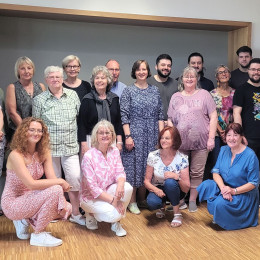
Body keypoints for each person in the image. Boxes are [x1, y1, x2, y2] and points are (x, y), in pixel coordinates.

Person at [1, 117, 72, 247]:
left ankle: (23, 220)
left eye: (39, 131)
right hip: (12, 203)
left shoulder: (44, 152)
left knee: (66, 206)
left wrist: (61, 198)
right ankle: (38, 234)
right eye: (32, 130)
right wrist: (61, 182)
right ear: (23, 132)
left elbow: (51, 180)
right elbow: (31, 184)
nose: (36, 133)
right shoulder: (15, 155)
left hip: (30, 198)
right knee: (56, 189)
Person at [32, 66, 85, 226]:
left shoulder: (73, 95)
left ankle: (75, 213)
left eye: (58, 77)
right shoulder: (39, 100)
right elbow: (36, 125)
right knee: (53, 184)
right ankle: (56, 212)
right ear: (46, 80)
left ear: (62, 79)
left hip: (70, 147)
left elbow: (79, 119)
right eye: (52, 77)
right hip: (50, 149)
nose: (55, 79)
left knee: (75, 179)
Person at [168, 66, 217, 212]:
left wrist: (211, 138)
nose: (189, 79)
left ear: (197, 79)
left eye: (192, 76)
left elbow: (213, 116)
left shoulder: (204, 95)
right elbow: (170, 119)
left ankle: (192, 200)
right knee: (180, 173)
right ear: (182, 79)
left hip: (201, 141)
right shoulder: (176, 97)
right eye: (186, 76)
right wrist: (173, 137)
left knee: (197, 172)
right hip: (180, 143)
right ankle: (181, 200)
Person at [120, 59, 164, 214]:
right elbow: (124, 115)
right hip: (135, 133)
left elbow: (160, 114)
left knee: (148, 166)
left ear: (148, 71)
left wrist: (161, 136)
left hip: (152, 133)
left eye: (144, 69)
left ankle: (142, 199)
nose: (141, 72)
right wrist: (128, 136)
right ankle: (131, 201)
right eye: (138, 69)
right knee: (133, 168)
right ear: (134, 72)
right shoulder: (128, 91)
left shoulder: (154, 90)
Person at [197, 123, 259, 230]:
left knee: (219, 203)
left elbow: (254, 183)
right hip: (226, 188)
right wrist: (224, 189)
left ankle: (228, 216)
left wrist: (233, 191)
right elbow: (215, 172)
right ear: (225, 137)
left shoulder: (250, 155)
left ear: (241, 137)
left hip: (243, 193)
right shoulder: (223, 150)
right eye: (228, 135)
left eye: (235, 135)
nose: (231, 138)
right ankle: (222, 212)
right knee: (206, 185)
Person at [80, 120, 133, 236]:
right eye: (101, 133)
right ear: (96, 136)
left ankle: (116, 222)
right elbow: (92, 188)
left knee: (127, 187)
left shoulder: (114, 151)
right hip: (90, 197)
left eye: (108, 132)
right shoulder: (89, 156)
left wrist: (120, 186)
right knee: (113, 214)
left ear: (112, 135)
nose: (105, 135)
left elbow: (120, 172)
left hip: (108, 190)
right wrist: (114, 201)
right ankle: (90, 213)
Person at [144, 126, 190, 227]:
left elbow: (186, 187)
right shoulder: (153, 156)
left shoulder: (182, 158)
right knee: (152, 203)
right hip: (159, 189)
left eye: (167, 138)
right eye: (162, 138)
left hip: (176, 190)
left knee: (170, 182)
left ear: (175, 140)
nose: (163, 141)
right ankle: (162, 206)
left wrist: (176, 177)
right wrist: (156, 190)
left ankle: (177, 213)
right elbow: (146, 181)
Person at [78, 65, 123, 156]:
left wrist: (119, 142)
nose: (100, 80)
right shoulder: (87, 99)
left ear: (108, 81)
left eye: (103, 78)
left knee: (110, 168)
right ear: (93, 81)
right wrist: (83, 145)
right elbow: (81, 124)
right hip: (91, 140)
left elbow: (118, 122)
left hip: (111, 140)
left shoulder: (114, 99)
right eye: (97, 78)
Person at [5, 56, 45, 141]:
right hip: (19, 132)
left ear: (33, 70)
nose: (26, 71)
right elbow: (12, 112)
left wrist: (36, 131)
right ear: (18, 71)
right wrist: (26, 131)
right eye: (22, 68)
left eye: (29, 68)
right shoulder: (12, 87)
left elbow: (46, 110)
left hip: (38, 133)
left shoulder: (41, 87)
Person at [210, 65, 235, 166]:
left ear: (229, 75)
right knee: (217, 161)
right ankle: (216, 181)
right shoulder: (211, 94)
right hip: (216, 132)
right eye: (220, 72)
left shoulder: (235, 93)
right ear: (216, 77)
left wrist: (229, 130)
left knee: (231, 161)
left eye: (226, 72)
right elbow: (210, 114)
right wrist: (220, 130)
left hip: (232, 132)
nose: (224, 74)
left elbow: (237, 113)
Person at [147, 54, 178, 121]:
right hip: (152, 124)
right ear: (156, 67)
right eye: (163, 65)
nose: (166, 68)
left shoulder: (176, 84)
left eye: (169, 66)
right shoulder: (147, 83)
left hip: (171, 125)